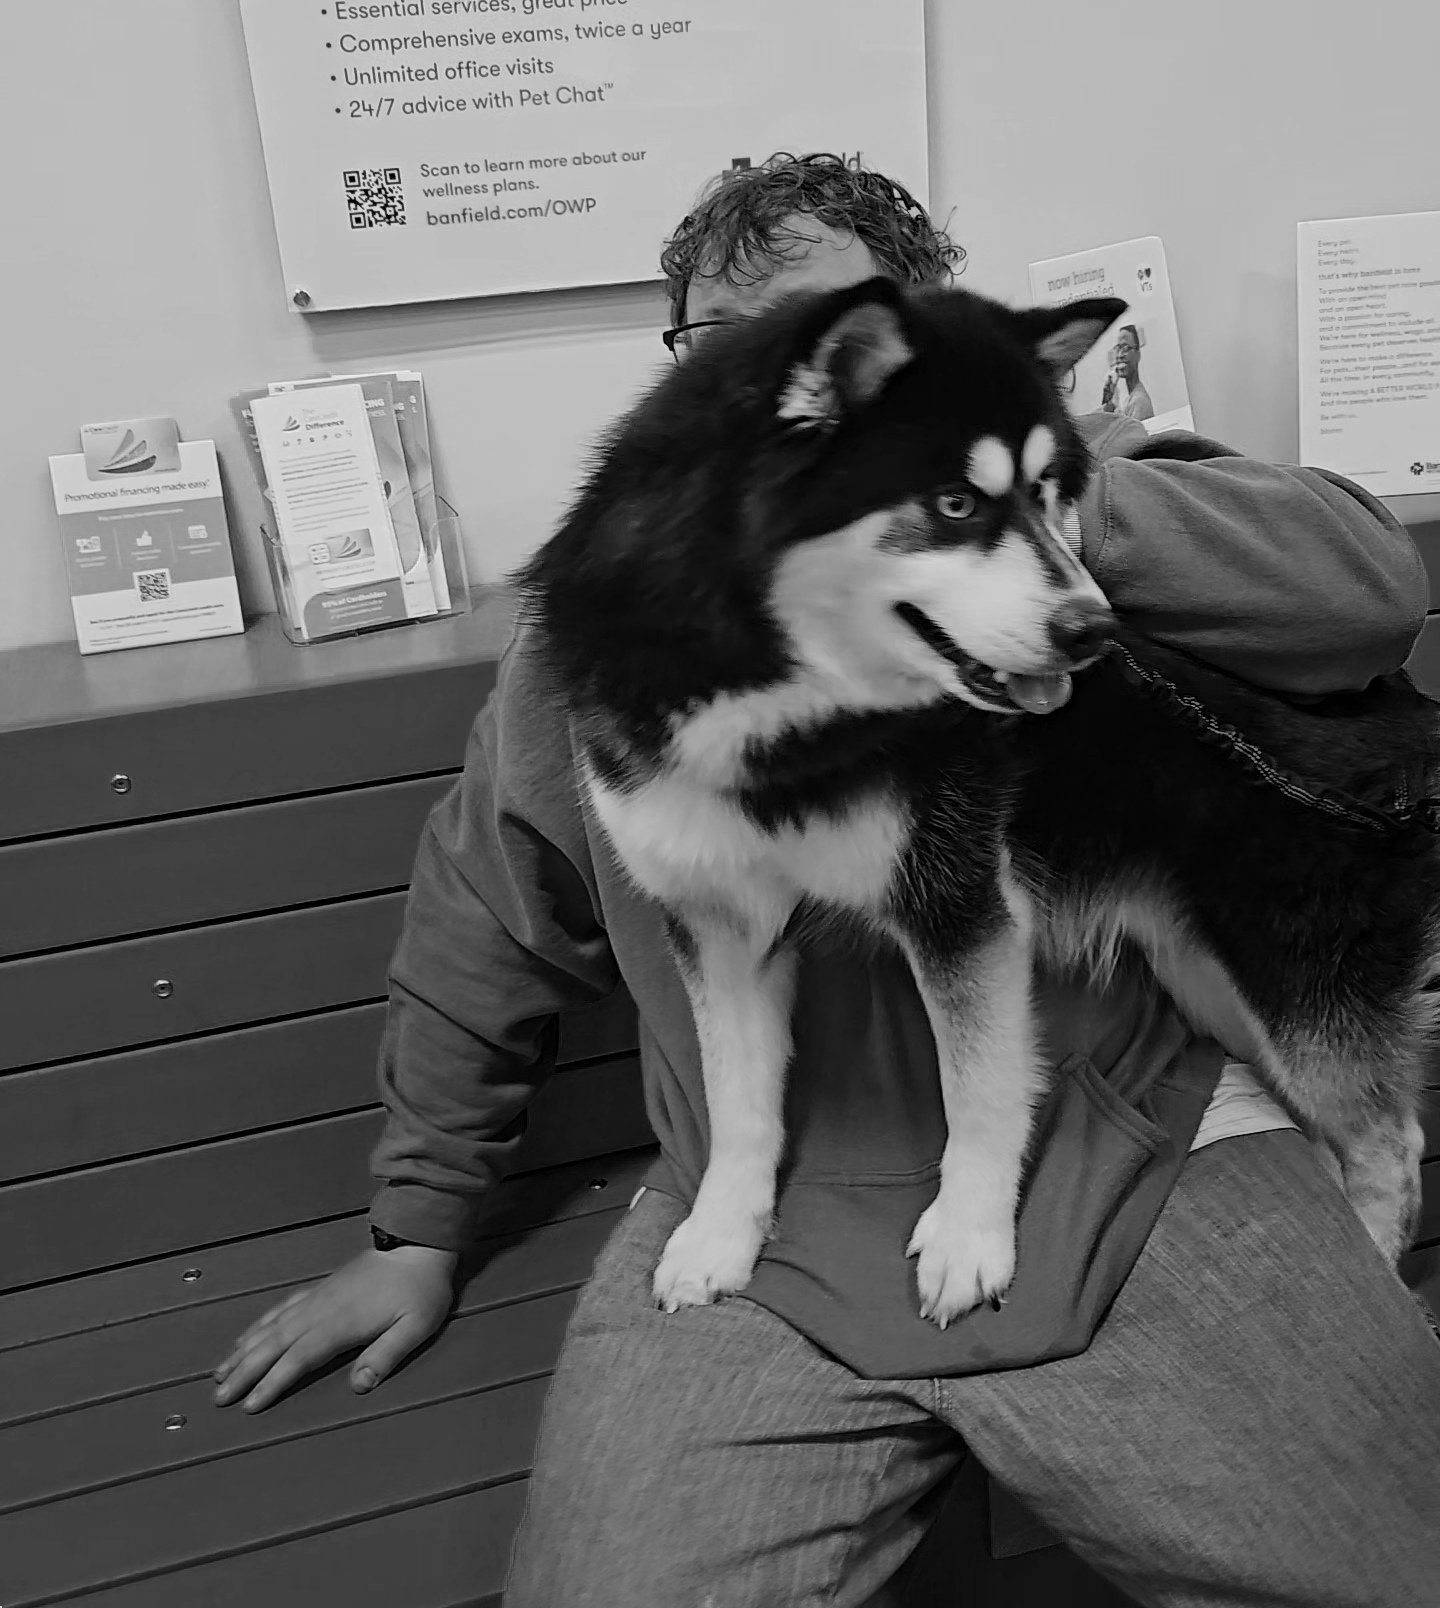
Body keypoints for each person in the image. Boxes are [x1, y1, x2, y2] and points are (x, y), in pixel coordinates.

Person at [213, 154, 1440, 1606]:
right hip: (760, 1219)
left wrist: (996, 511)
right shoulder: (590, 648)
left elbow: (1365, 583)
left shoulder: (1062, 507)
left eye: (837, 344)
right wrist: (415, 1227)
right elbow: (486, 908)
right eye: (726, 346)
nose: (785, 391)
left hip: (1133, 1156)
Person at [1101, 321, 1155, 420]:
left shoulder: (1139, 402)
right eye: (1118, 348)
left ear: (1138, 355)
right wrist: (1108, 393)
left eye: (1126, 348)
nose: (1120, 355)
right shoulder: (1128, 400)